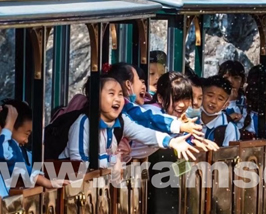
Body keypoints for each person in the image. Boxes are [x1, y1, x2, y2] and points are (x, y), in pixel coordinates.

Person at [61, 76, 197, 167]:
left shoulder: (120, 120)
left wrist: (171, 142)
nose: (118, 99)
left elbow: (144, 133)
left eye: (120, 94)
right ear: (97, 97)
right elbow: (77, 161)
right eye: (111, 94)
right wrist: (113, 160)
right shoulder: (84, 123)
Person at [199, 75, 239, 147]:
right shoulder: (190, 118)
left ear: (226, 104)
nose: (213, 101)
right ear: (201, 95)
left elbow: (229, 155)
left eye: (220, 99)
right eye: (210, 95)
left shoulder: (229, 128)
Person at [218, 60, 247, 126]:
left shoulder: (246, 101)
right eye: (226, 78)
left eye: (236, 78)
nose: (231, 81)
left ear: (242, 81)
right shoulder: (215, 100)